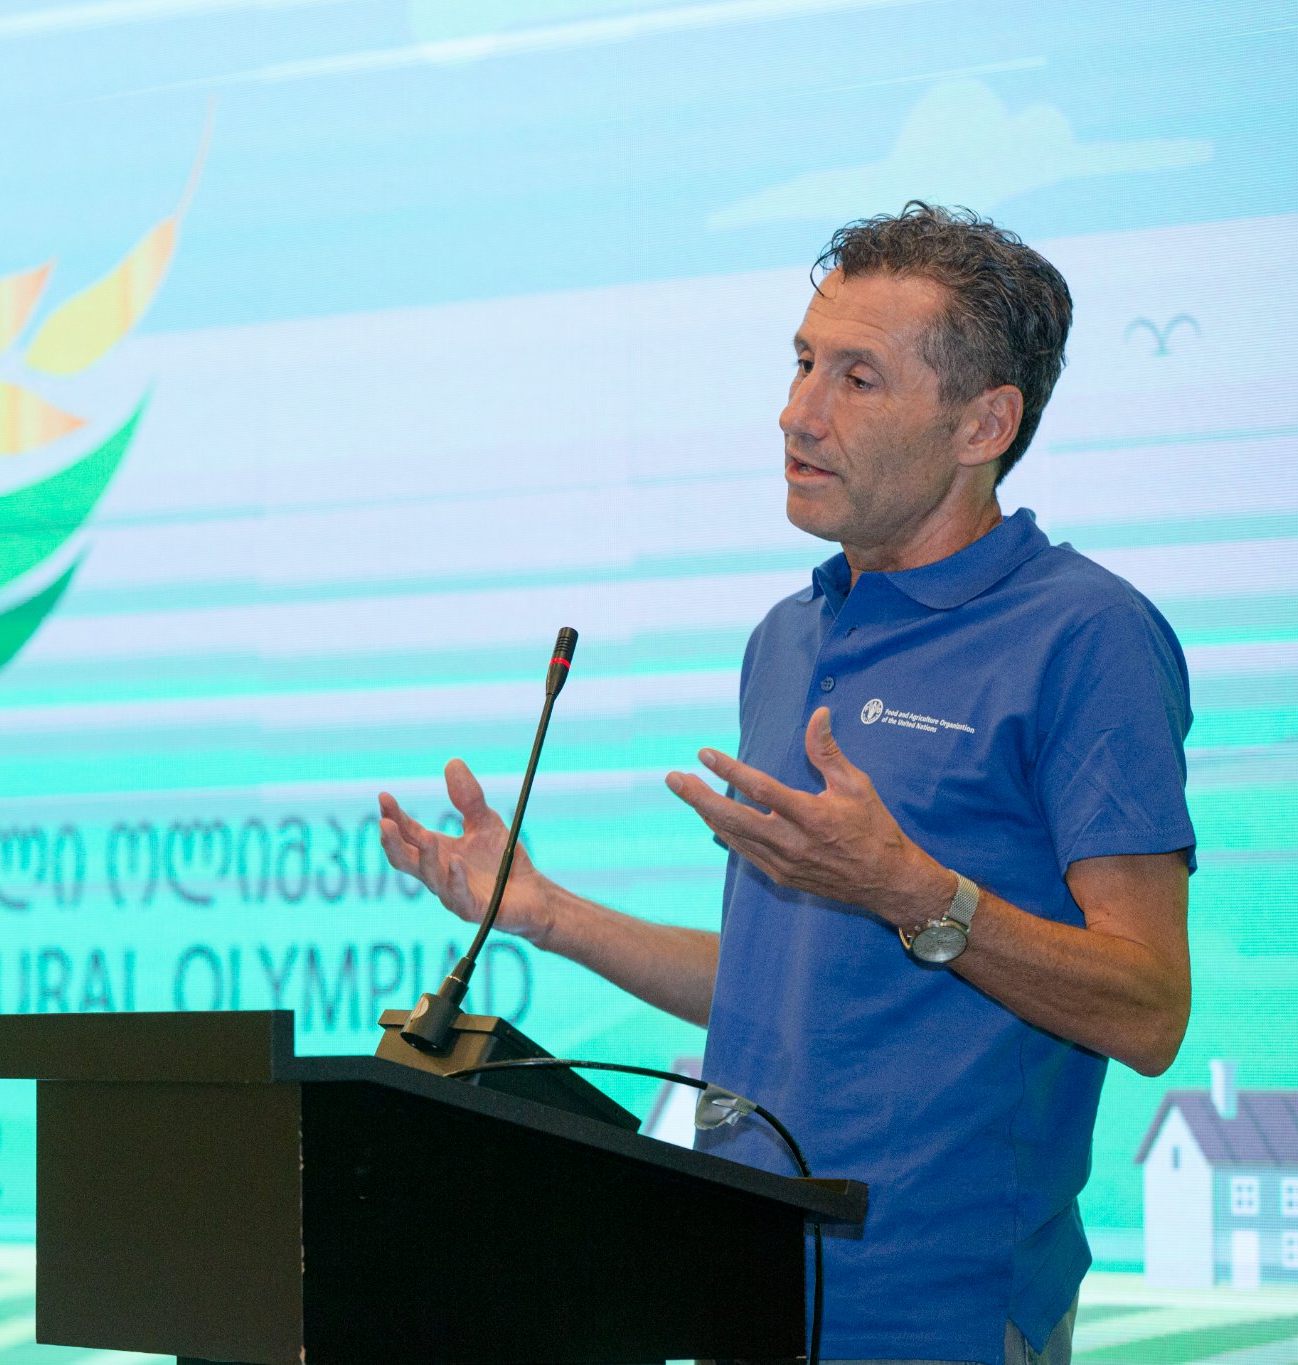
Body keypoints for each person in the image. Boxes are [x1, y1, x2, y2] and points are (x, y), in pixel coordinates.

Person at [376, 202, 1194, 1365]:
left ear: (983, 424)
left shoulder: (1083, 635)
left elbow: (1148, 1008)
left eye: (856, 379)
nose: (796, 412)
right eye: (802, 362)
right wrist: (545, 914)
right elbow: (783, 987)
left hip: (940, 1310)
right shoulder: (788, 636)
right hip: (741, 1278)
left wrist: (915, 892)